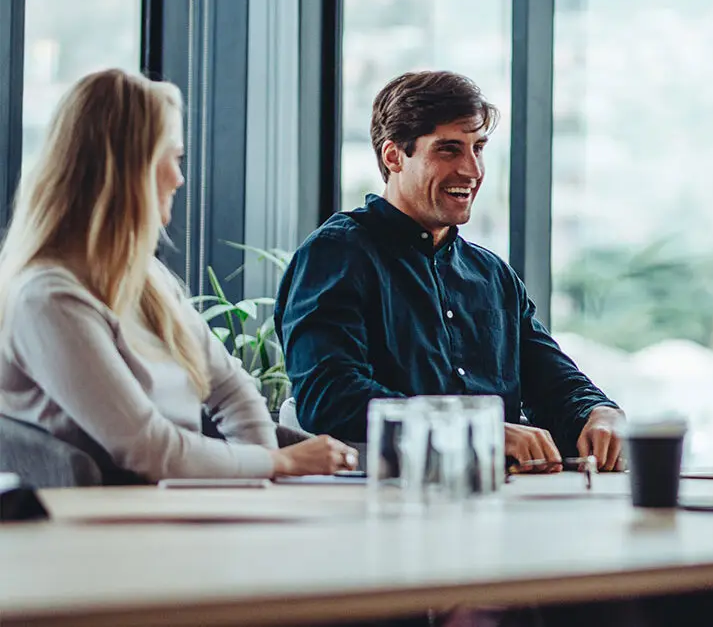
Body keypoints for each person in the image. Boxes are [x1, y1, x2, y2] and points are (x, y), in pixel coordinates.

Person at [0, 69, 356, 482]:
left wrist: (262, 475)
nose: (179, 177)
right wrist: (279, 462)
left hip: (173, 504)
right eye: (173, 158)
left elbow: (230, 387)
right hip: (105, 526)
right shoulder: (48, 300)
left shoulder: (145, 277)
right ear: (129, 170)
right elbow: (147, 448)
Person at [278, 70, 625, 472]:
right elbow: (331, 397)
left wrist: (598, 412)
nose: (472, 170)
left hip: (502, 502)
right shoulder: (335, 255)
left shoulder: (492, 275)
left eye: (478, 148)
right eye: (449, 150)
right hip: (382, 505)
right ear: (394, 156)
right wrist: (477, 429)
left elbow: (552, 381)